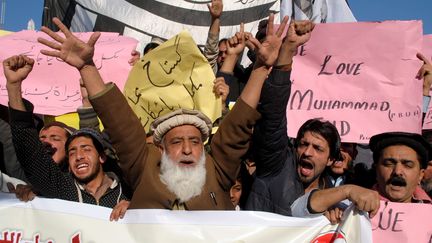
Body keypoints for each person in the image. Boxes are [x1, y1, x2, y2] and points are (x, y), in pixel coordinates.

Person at [36, 14, 288, 210]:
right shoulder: (144, 167)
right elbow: (118, 122)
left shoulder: (217, 170)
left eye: (195, 142)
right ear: (161, 147)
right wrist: (87, 67)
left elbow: (238, 125)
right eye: (176, 142)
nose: (188, 149)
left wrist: (261, 68)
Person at [245, 19, 343, 216]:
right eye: (302, 144)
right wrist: (288, 49)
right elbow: (273, 115)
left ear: (331, 159)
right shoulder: (277, 166)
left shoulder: (333, 201)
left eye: (317, 148)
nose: (307, 152)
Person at [369, 132, 432, 203]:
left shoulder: (428, 211)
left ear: (420, 175)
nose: (397, 171)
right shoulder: (355, 209)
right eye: (389, 164)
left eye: (408, 165)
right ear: (376, 170)